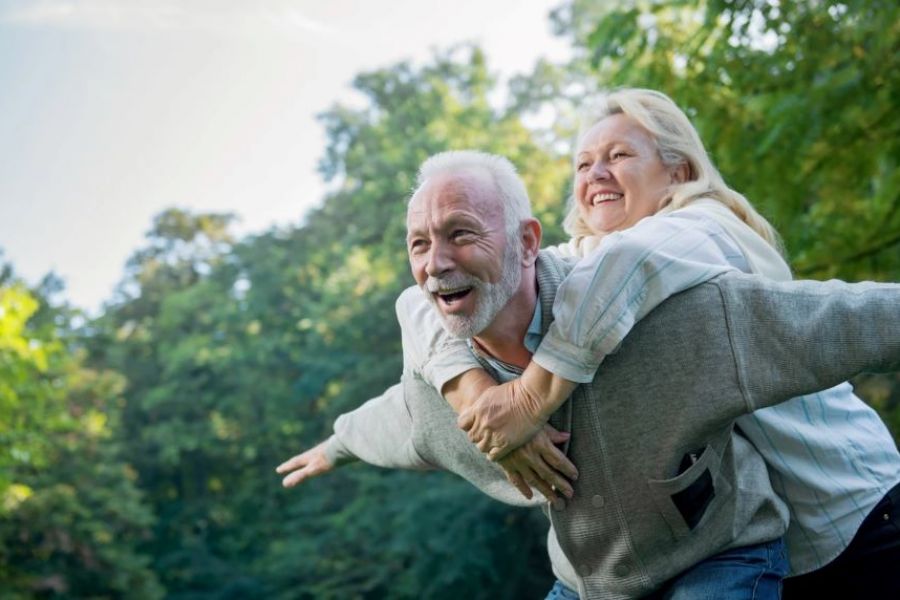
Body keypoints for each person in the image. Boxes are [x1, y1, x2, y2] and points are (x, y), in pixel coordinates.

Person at [277, 150, 900, 599]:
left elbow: (835, 320)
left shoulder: (668, 321)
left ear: (527, 243)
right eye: (418, 244)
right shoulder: (442, 389)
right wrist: (336, 442)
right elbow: (391, 420)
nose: (436, 263)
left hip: (721, 558)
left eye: (461, 233)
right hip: (591, 584)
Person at [439, 89, 900, 597]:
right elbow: (426, 301)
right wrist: (475, 394)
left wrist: (527, 401)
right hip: (779, 547)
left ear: (678, 172)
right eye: (583, 164)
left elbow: (632, 262)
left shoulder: (707, 228)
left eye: (619, 156)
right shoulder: (588, 260)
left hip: (856, 512)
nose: (595, 174)